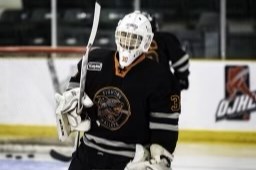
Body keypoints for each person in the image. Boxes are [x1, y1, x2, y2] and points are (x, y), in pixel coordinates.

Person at [55, 11, 181, 170]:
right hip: (88, 152)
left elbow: (165, 127)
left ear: (146, 41)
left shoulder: (161, 78)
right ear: (116, 36)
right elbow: (75, 85)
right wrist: (73, 103)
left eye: (134, 38)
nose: (127, 43)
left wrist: (161, 157)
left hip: (129, 160)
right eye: (124, 36)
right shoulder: (94, 61)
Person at [143, 12, 190, 91]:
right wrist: (181, 78)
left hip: (139, 90)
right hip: (162, 88)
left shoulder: (131, 41)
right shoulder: (164, 38)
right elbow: (181, 61)